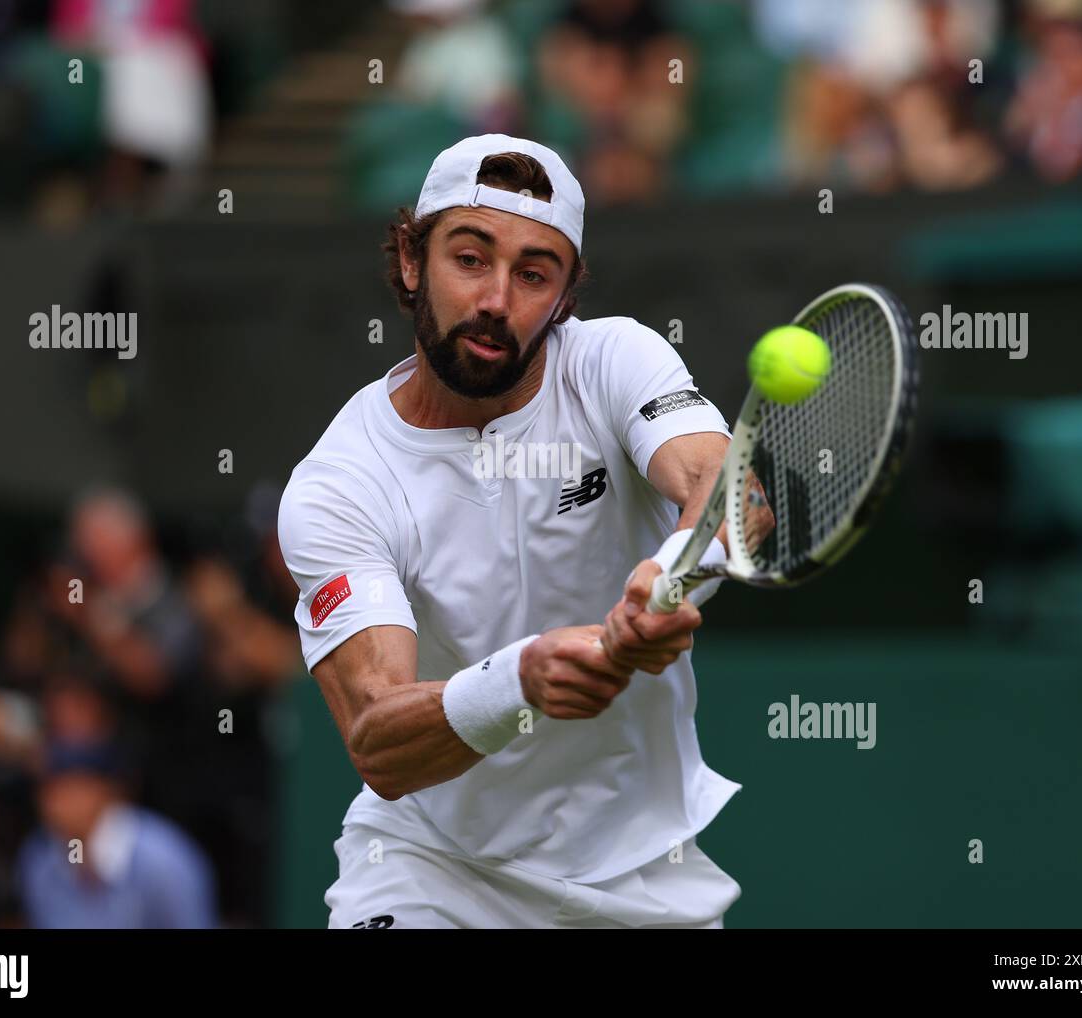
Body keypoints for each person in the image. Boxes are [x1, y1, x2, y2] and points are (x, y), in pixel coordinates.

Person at [278, 134, 774, 929]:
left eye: (533, 273)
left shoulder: (614, 360)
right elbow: (378, 738)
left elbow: (731, 492)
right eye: (470, 259)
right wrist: (520, 681)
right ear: (411, 260)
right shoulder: (341, 487)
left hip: (642, 877)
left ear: (566, 295)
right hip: (432, 871)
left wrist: (676, 570)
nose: (497, 301)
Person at [16, 739, 217, 928]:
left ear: (107, 790)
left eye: (71, 787)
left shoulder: (163, 862)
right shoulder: (39, 860)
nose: (55, 802)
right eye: (48, 789)